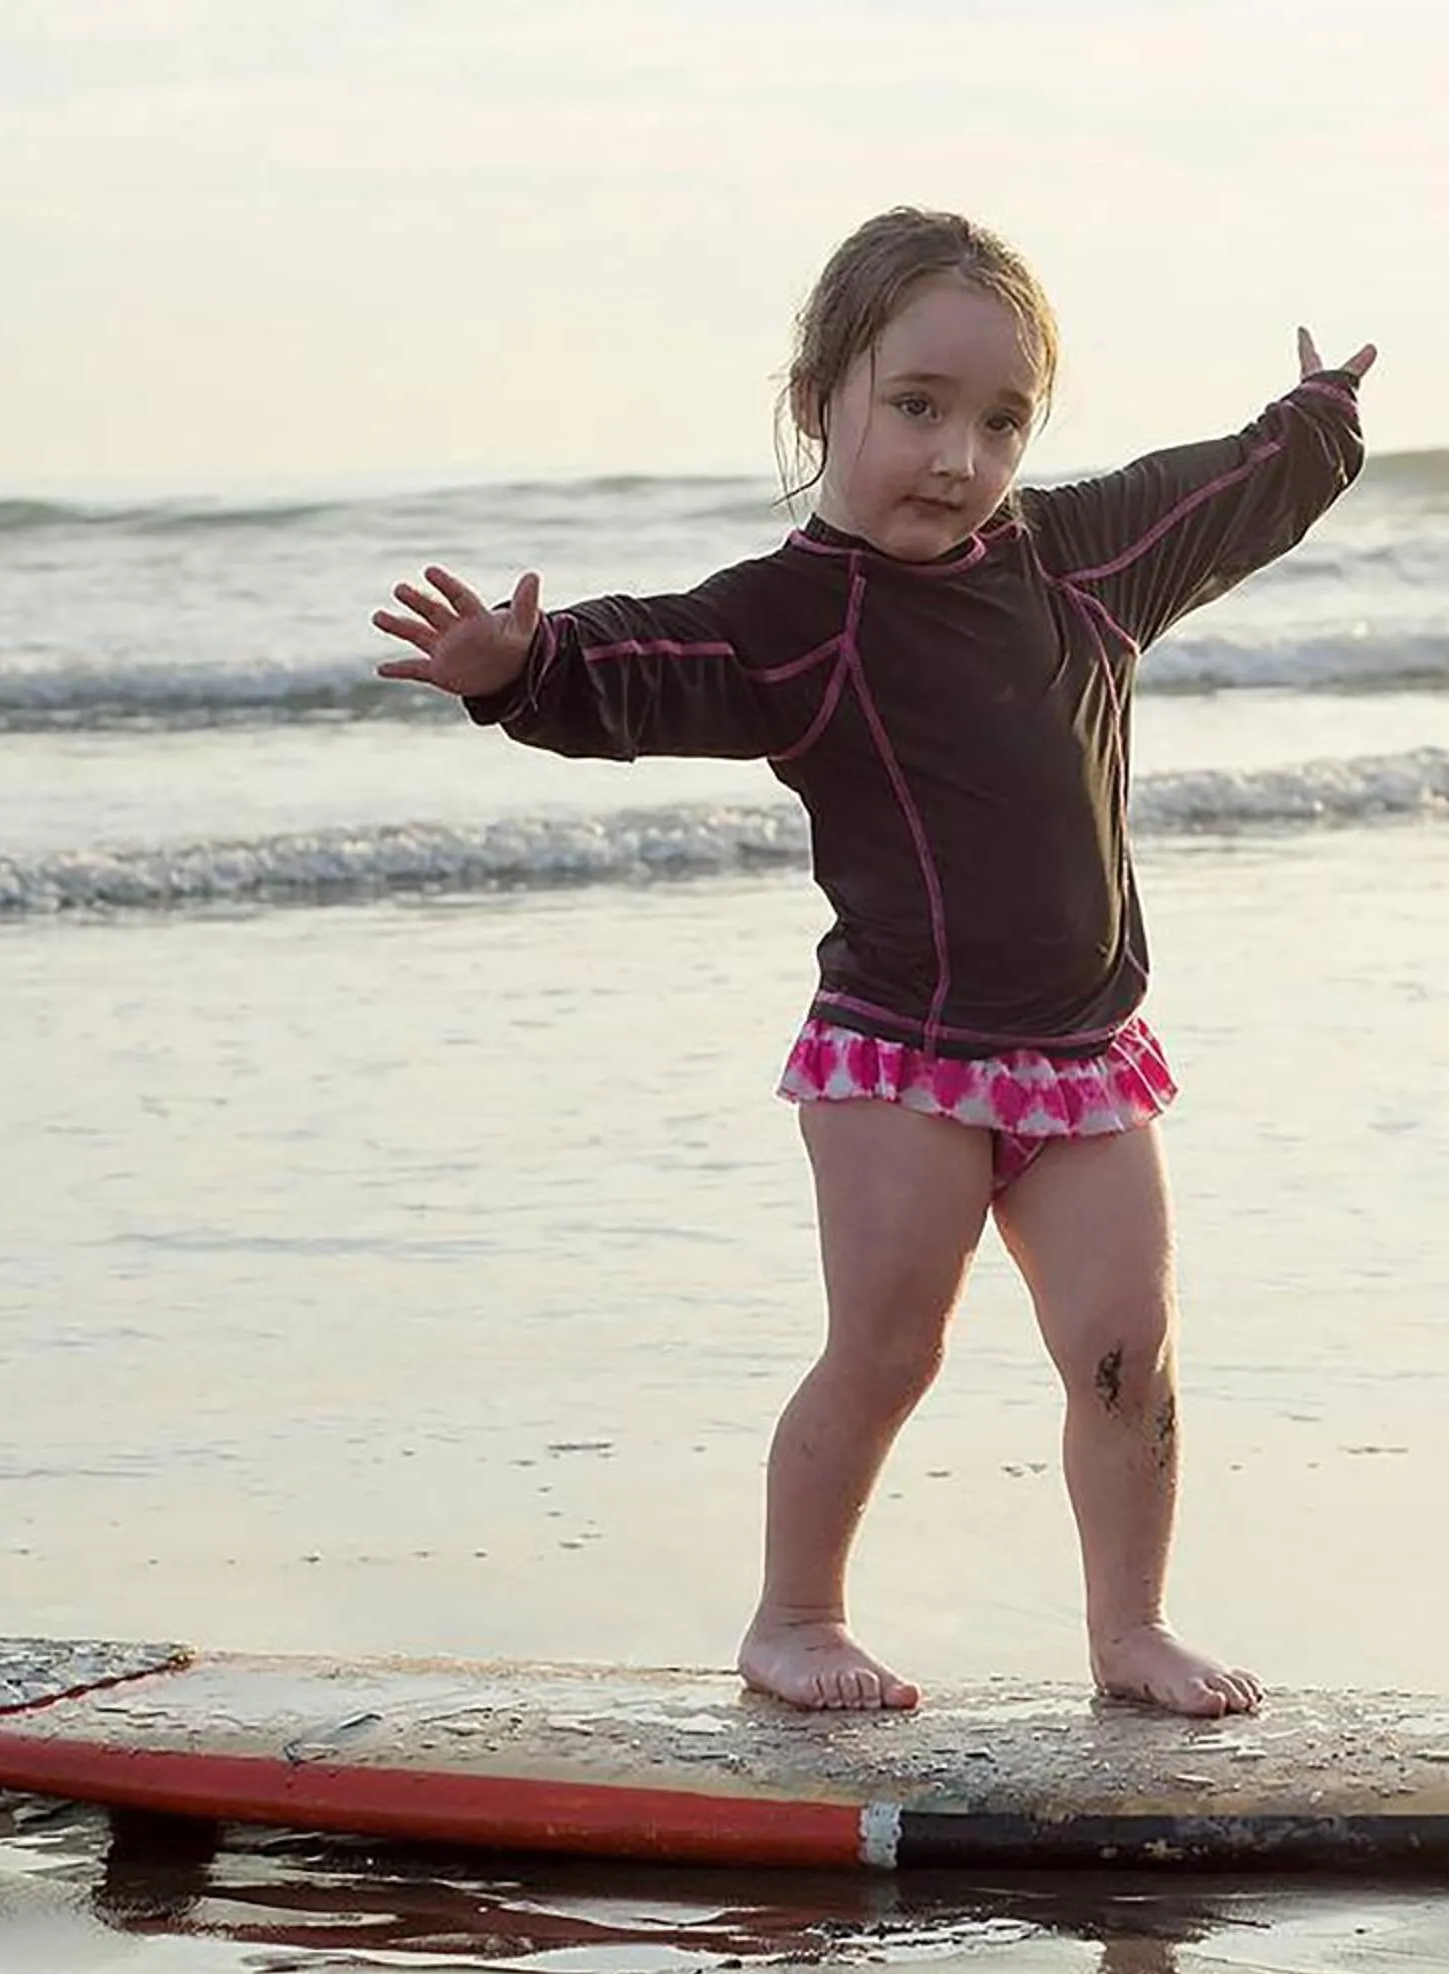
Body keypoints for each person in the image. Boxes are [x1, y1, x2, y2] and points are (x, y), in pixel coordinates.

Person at [373, 207, 1372, 1718]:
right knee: (890, 1350)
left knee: (1126, 1352)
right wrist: (528, 671)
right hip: (899, 1056)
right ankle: (796, 1615)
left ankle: (1131, 1633)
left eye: (1000, 421)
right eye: (917, 408)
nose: (960, 459)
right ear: (819, 398)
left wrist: (1316, 424)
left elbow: (1218, 494)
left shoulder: (1084, 566)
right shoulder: (803, 614)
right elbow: (663, 663)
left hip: (1087, 1053)